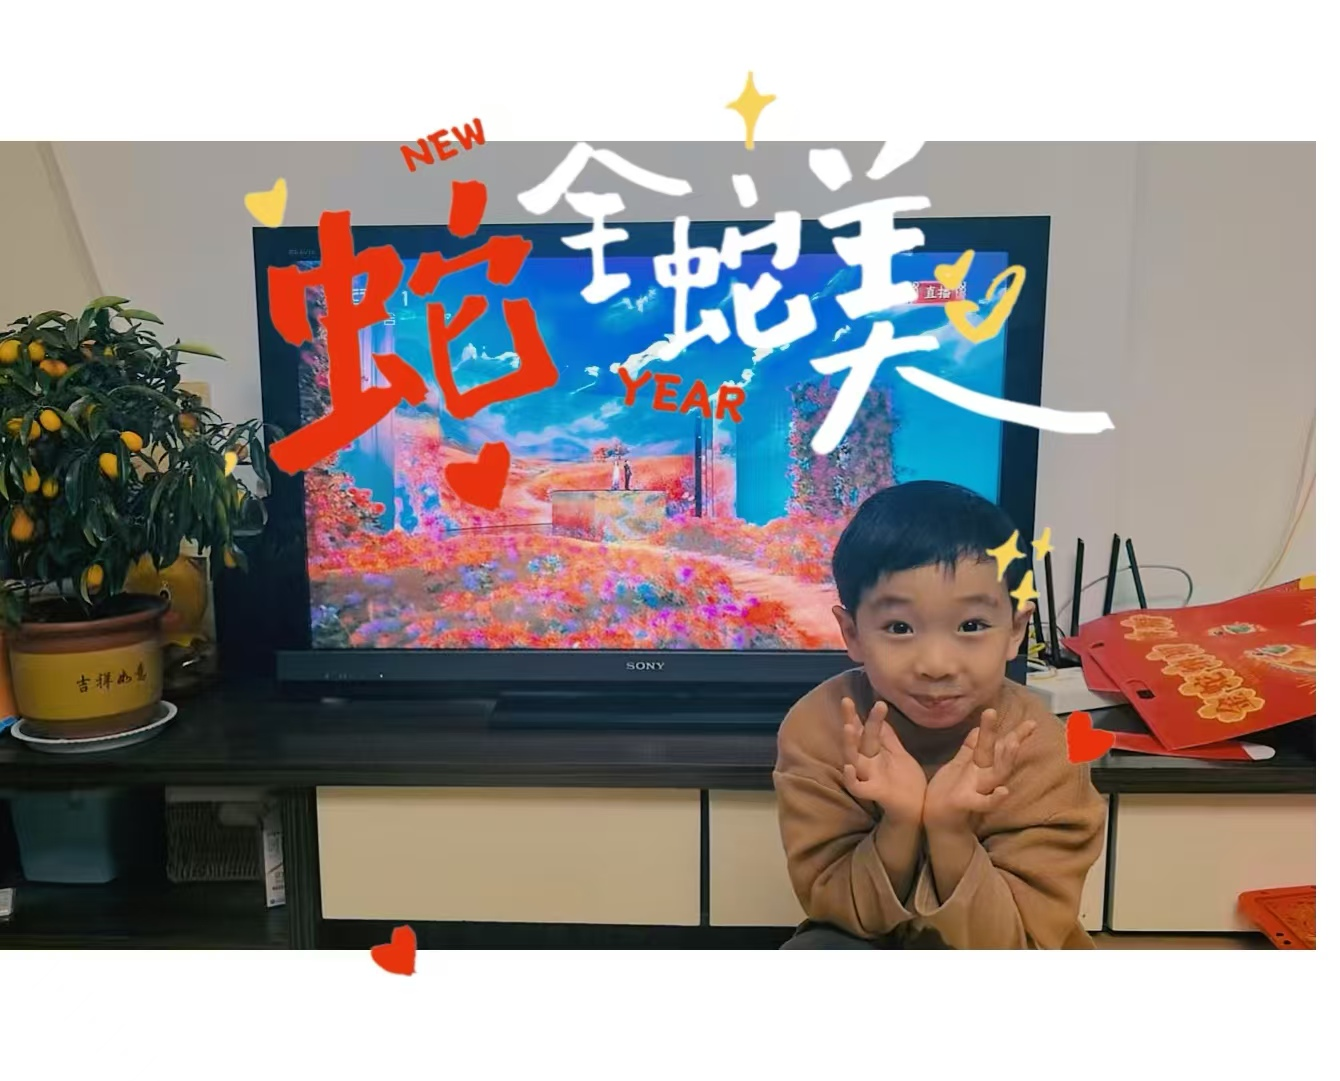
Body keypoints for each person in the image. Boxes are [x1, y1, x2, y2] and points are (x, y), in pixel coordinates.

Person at [774, 481, 1105, 949]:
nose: (936, 664)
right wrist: (900, 822)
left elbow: (1015, 943)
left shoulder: (1041, 746)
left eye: (971, 625)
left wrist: (950, 831)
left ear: (1015, 630)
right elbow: (837, 908)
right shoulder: (823, 726)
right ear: (852, 633)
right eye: (899, 627)